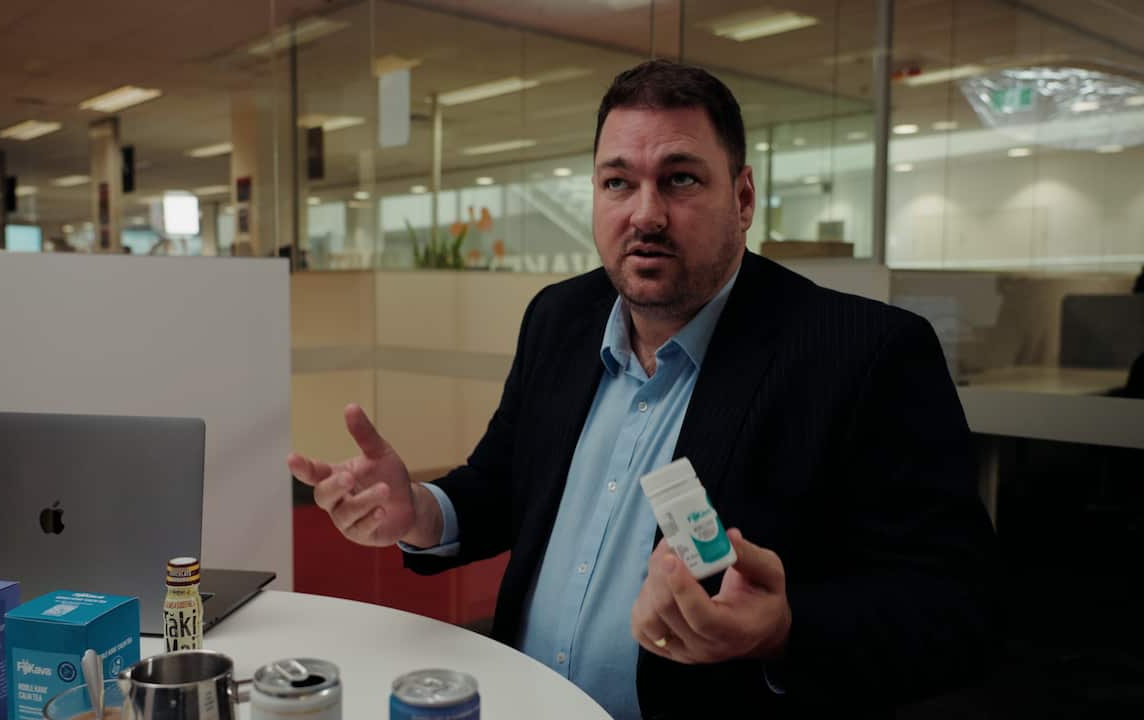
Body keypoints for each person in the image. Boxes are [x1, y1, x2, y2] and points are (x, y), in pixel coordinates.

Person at [289, 60, 998, 716]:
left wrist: (782, 629)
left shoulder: (861, 354)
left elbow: (954, 609)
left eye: (681, 179)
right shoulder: (559, 319)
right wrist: (417, 509)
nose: (645, 214)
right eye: (618, 181)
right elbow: (504, 486)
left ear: (743, 197)